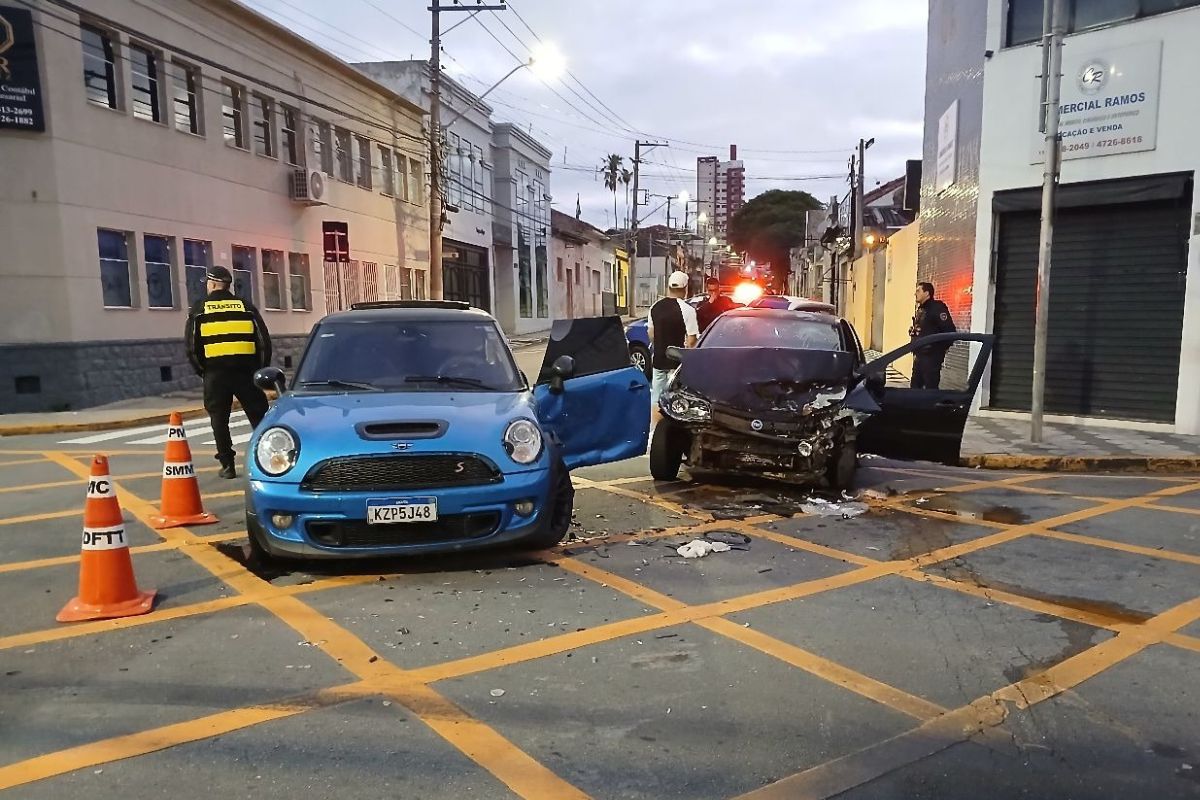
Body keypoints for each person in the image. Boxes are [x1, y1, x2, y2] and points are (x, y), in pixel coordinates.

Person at [185, 266, 272, 478]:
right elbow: (263, 342)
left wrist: (203, 372)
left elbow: (192, 347)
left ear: (213, 284)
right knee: (259, 417)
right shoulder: (246, 307)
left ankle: (227, 465)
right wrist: (259, 371)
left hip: (215, 375)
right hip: (247, 373)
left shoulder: (200, 309)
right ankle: (270, 460)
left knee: (219, 419)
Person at [647, 270, 699, 405]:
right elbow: (691, 341)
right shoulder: (688, 310)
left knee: (656, 400)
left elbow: (651, 334)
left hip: (658, 362)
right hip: (676, 365)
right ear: (685, 289)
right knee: (675, 403)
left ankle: (654, 419)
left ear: (668, 287)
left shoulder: (654, 307)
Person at [909, 281, 956, 389]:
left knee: (930, 389)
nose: (915, 294)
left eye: (918, 291)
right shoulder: (921, 309)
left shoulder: (937, 308)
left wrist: (939, 351)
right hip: (920, 356)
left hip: (931, 357)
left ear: (926, 293)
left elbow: (949, 331)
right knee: (914, 388)